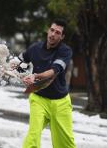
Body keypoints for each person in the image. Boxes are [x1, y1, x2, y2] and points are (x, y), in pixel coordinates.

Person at [20, 19, 76, 148]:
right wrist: (5, 67)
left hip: (61, 102)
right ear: (48, 30)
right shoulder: (35, 48)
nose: (53, 34)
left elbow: (52, 72)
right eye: (52, 30)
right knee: (32, 138)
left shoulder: (65, 51)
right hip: (39, 99)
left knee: (65, 144)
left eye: (57, 32)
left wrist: (35, 76)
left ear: (62, 37)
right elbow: (18, 62)